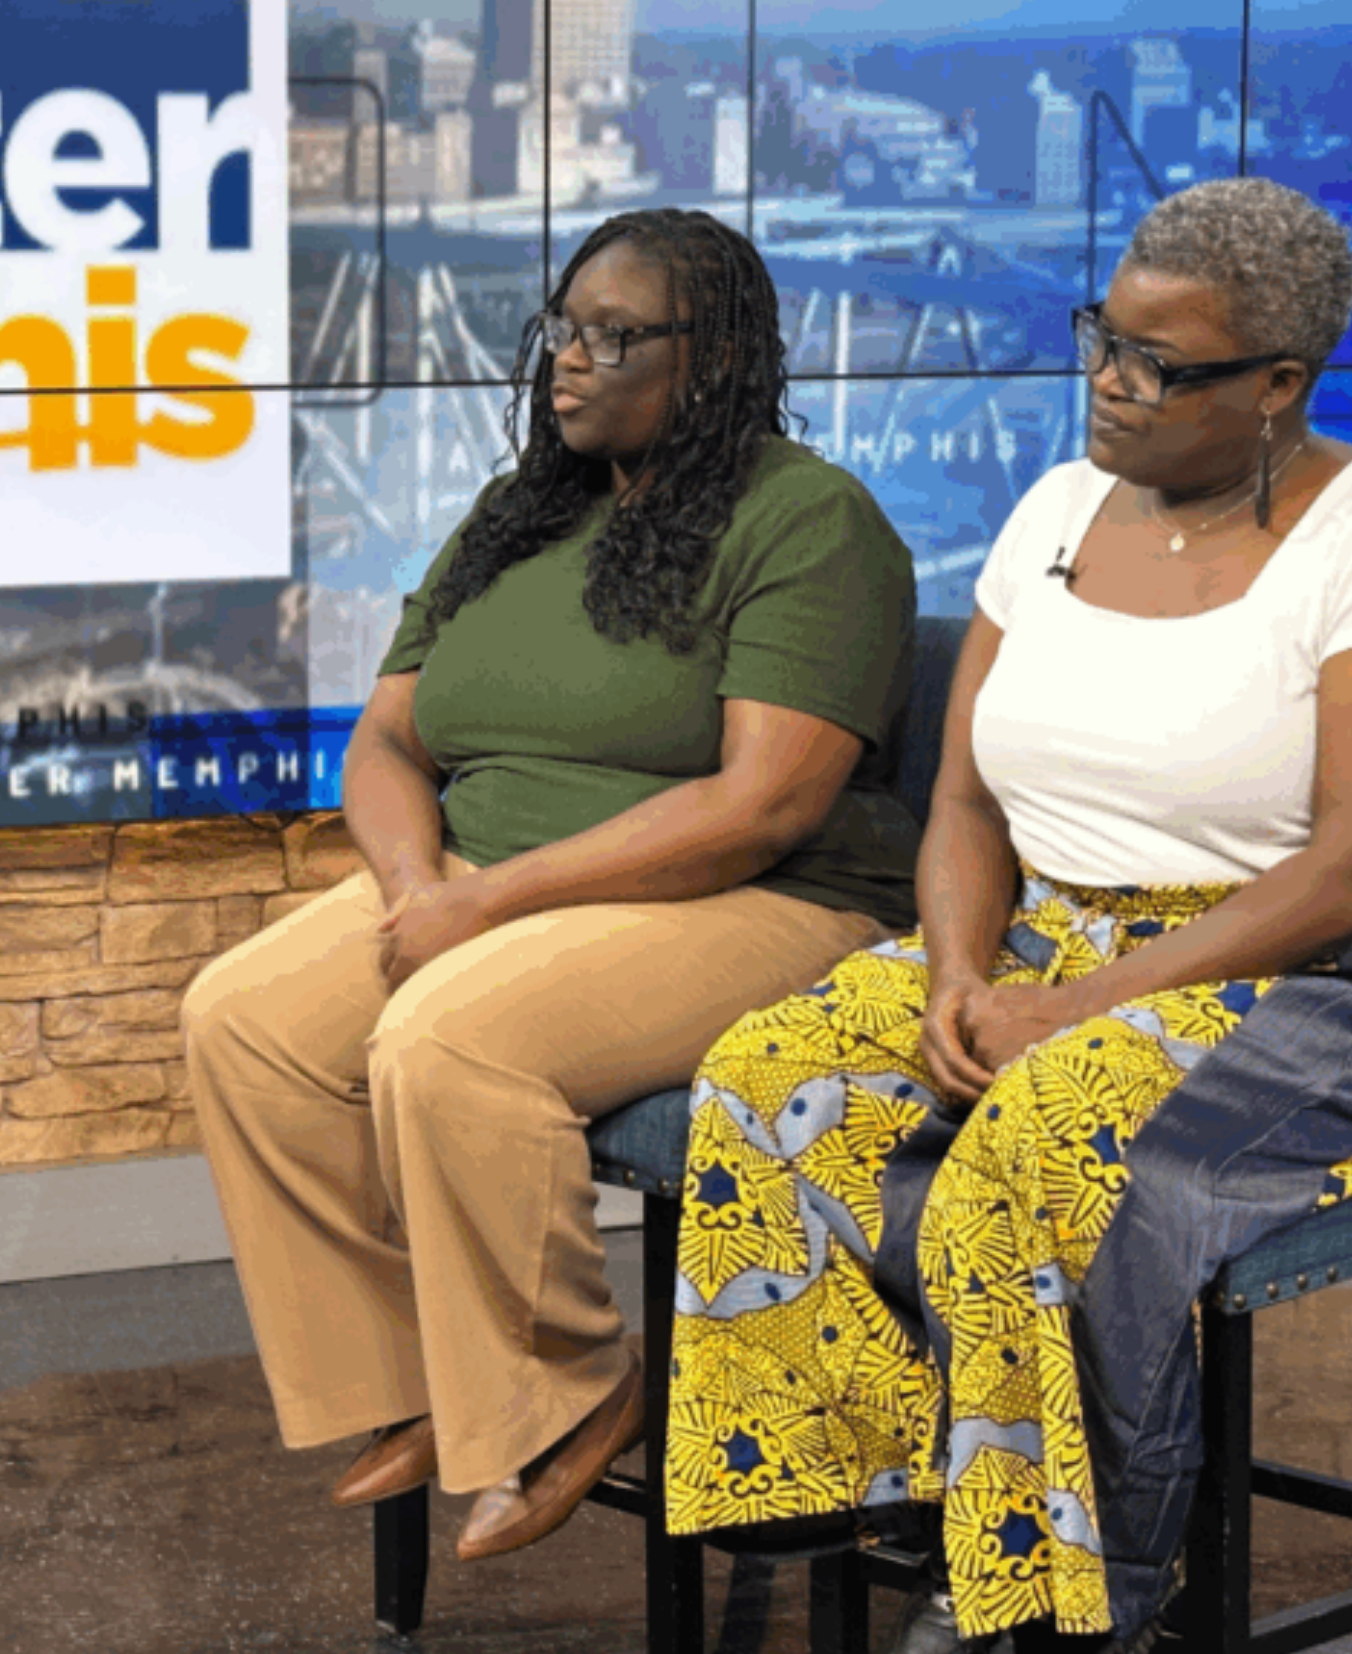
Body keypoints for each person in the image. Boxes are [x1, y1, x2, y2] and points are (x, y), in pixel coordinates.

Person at [664, 177, 1352, 1653]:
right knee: (767, 1075)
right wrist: (960, 972)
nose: (1111, 385)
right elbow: (970, 804)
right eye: (1102, 340)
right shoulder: (1054, 511)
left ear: (1277, 385)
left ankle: (1074, 1587)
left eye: (1161, 366)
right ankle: (910, 1495)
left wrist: (1072, 1009)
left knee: (1037, 1140)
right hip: (1045, 941)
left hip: (1322, 985)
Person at [182, 208, 919, 1564]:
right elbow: (390, 737)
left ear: (711, 360)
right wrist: (414, 877)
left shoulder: (810, 520)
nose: (567, 361)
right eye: (560, 330)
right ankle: (407, 1375)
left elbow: (762, 804)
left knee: (449, 1036)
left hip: (750, 901)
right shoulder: (518, 514)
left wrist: (485, 906)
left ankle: (576, 1379)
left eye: (613, 336)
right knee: (242, 1020)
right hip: (480, 873)